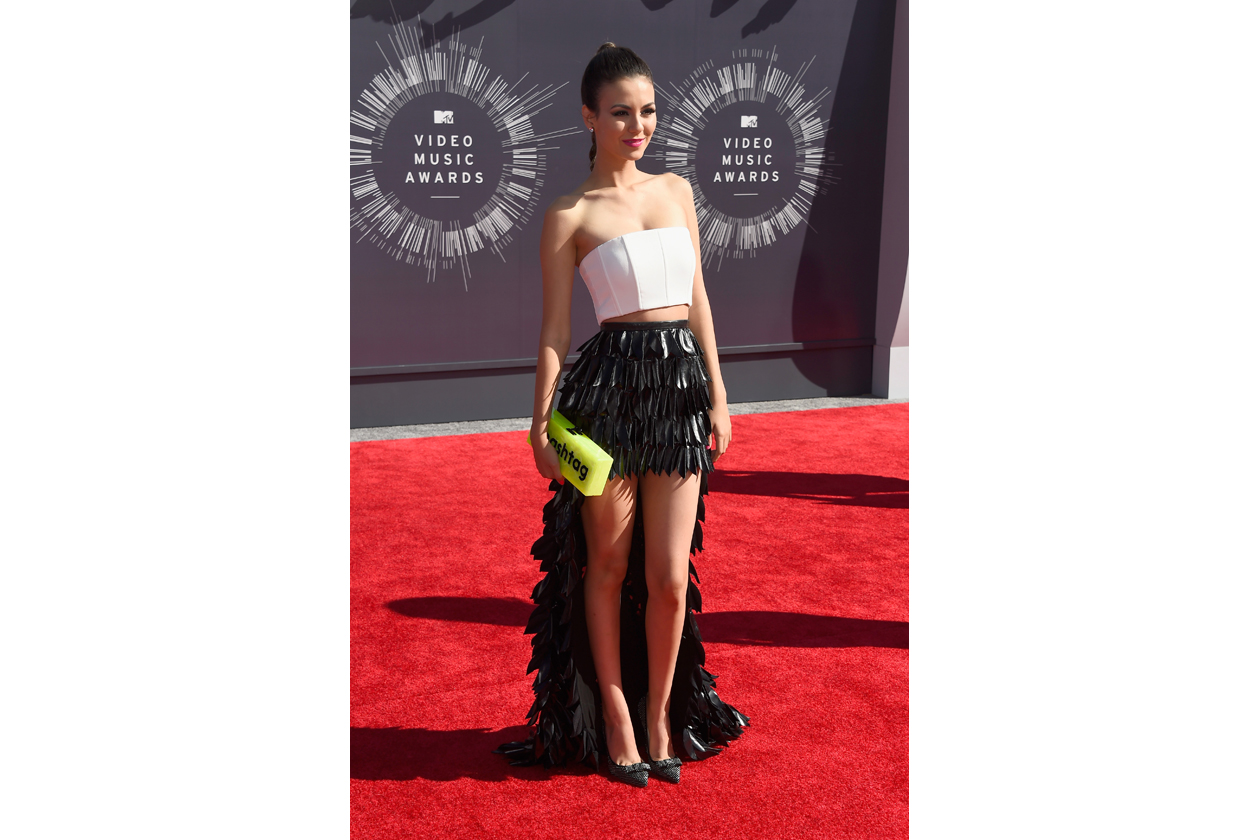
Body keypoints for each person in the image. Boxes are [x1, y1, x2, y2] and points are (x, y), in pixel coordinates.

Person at [496, 43, 747, 787]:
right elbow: (554, 332)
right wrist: (539, 424)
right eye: (620, 113)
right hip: (605, 397)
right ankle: (614, 716)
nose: (638, 127)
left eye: (648, 112)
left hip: (679, 392)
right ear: (588, 117)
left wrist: (719, 394)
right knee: (604, 565)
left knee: (669, 576)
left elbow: (698, 299)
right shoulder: (569, 214)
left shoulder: (677, 191)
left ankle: (661, 715)